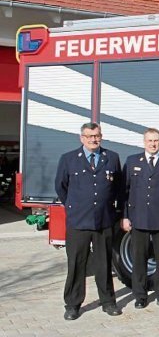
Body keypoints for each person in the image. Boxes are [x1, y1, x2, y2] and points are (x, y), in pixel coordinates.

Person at [55, 122, 122, 321]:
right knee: (77, 263)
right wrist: (73, 207)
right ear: (81, 138)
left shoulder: (112, 157)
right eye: (89, 136)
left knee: (104, 263)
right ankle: (73, 304)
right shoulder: (68, 159)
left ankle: (108, 301)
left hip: (104, 220)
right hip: (78, 221)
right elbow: (61, 186)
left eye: (97, 135)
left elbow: (117, 187)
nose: (94, 139)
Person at [122, 128, 159, 310]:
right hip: (139, 219)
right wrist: (125, 217)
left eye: (156, 141)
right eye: (150, 141)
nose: (153, 144)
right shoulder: (132, 162)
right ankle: (140, 295)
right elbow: (125, 192)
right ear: (144, 142)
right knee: (139, 259)